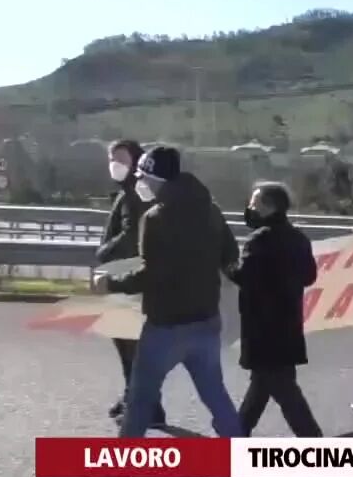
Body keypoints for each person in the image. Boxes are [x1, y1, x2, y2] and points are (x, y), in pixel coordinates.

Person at [92, 145, 243, 442]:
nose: (141, 183)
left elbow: (152, 273)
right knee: (215, 395)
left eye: (144, 177)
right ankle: (241, 461)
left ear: (156, 179)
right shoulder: (211, 210)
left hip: (166, 323)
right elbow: (230, 255)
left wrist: (112, 284)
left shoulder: (156, 218)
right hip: (205, 319)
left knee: (140, 398)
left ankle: (122, 466)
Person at [225, 182, 322, 437]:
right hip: (288, 325)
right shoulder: (298, 238)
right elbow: (309, 276)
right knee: (263, 390)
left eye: (254, 204)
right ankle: (236, 439)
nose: (250, 208)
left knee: (286, 395)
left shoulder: (259, 240)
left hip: (262, 329)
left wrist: (225, 265)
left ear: (269, 207)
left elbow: (243, 276)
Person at [96, 138, 165, 427]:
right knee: (128, 345)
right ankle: (136, 399)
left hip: (126, 273)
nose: (115, 165)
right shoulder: (130, 191)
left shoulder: (134, 194)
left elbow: (129, 234)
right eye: (112, 158)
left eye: (122, 159)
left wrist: (103, 251)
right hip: (126, 273)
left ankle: (143, 406)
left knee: (130, 347)